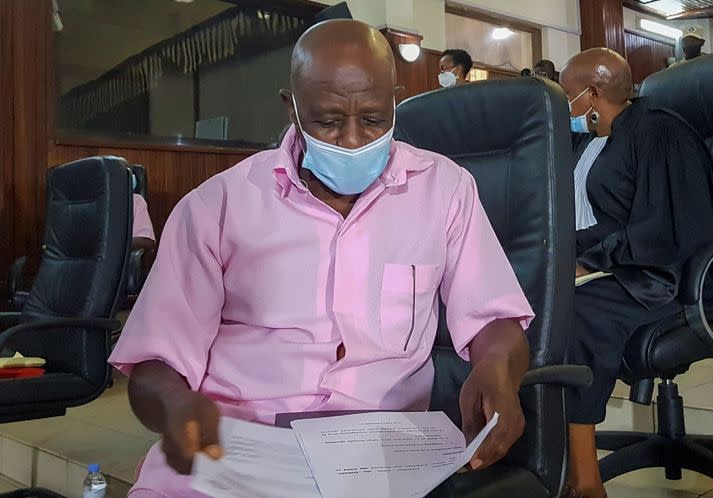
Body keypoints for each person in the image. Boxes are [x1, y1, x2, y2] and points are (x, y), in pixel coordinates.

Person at [109, 19, 534, 498]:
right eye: (328, 121)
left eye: (373, 119)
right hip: (237, 449)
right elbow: (156, 357)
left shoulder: (446, 190)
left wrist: (497, 367)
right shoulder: (217, 207)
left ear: (394, 100)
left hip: (379, 457)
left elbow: (493, 318)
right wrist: (173, 407)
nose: (352, 140)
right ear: (291, 108)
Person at [559, 48, 713, 498]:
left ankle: (585, 478)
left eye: (568, 95)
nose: (564, 106)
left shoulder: (659, 131)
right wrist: (552, 256)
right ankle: (543, 455)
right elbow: (597, 223)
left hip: (665, 274)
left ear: (592, 93)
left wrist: (588, 263)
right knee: (533, 302)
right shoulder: (596, 141)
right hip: (621, 264)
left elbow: (661, 227)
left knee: (579, 312)